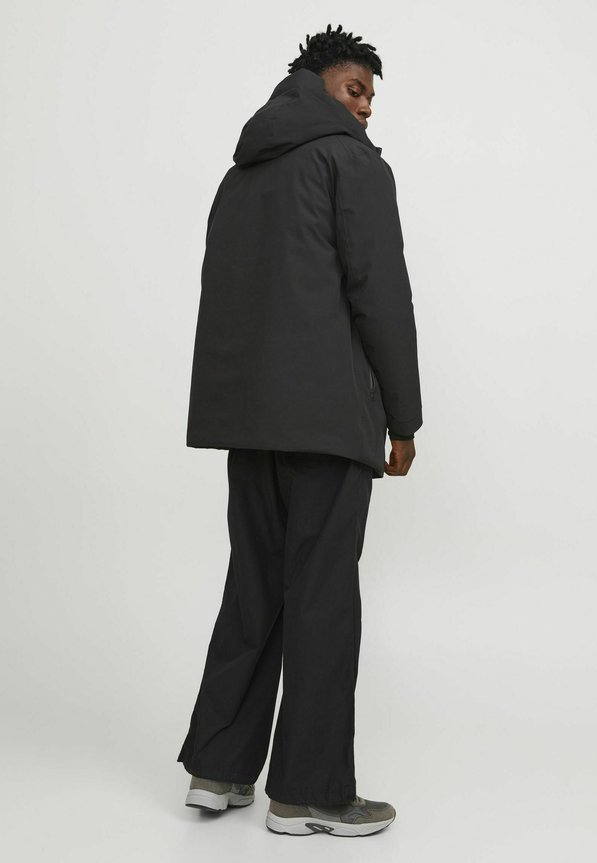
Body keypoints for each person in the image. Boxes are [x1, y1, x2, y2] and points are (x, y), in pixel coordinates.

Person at [176, 23, 423, 837]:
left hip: (251, 421)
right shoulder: (352, 164)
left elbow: (224, 294)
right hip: (327, 420)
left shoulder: (242, 173)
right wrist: (403, 416)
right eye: (356, 90)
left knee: (255, 585)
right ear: (318, 83)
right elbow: (380, 295)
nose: (366, 110)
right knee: (321, 598)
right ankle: (309, 794)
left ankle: (217, 769)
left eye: (371, 99)